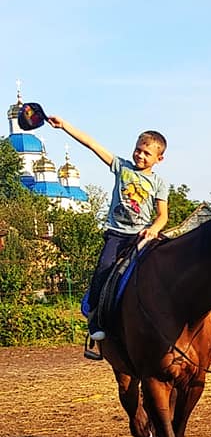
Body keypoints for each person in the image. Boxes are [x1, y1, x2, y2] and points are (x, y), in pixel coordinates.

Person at [47, 115, 169, 350]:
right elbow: (92, 144)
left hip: (142, 235)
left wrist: (153, 229)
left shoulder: (159, 183)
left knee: (170, 259)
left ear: (159, 159)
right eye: (138, 150)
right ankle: (95, 317)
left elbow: (162, 215)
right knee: (104, 268)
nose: (140, 155)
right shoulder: (121, 167)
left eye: (147, 153)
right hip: (117, 234)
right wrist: (64, 126)